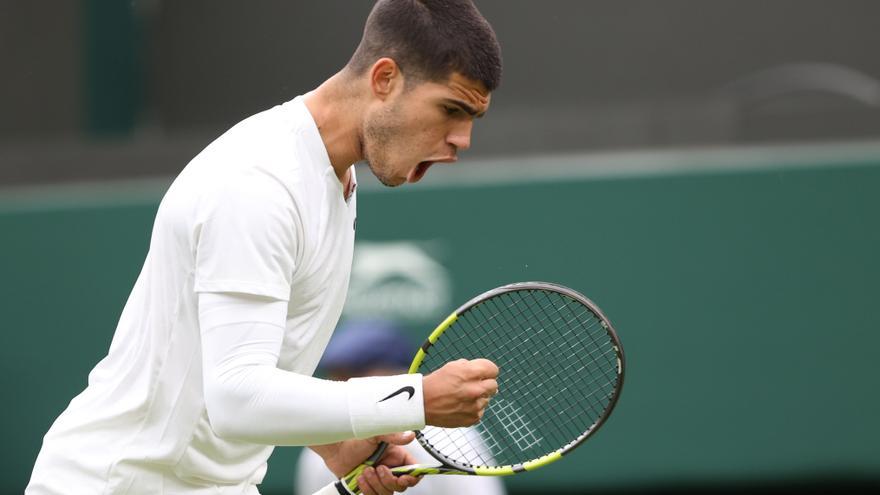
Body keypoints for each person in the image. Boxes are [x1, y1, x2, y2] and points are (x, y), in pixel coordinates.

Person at [25, 1, 502, 494]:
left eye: (472, 118)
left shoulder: (331, 178)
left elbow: (249, 365)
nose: (462, 139)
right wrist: (415, 397)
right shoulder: (259, 183)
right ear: (384, 79)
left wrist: (335, 442)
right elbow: (237, 396)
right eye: (451, 109)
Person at [295, 320, 507, 495]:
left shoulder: (451, 439)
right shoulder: (319, 449)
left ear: (397, 373)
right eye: (338, 376)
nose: (345, 386)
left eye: (356, 374)